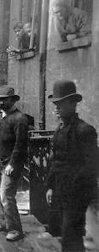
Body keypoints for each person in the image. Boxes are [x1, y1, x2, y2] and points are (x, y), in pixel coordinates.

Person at [46, 80, 98, 252]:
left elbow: (91, 166)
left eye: (61, 104)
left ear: (73, 104)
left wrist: (72, 187)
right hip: (61, 191)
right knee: (62, 232)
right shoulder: (59, 130)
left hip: (77, 192)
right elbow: (56, 162)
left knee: (71, 234)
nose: (56, 108)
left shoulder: (85, 130)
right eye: (56, 104)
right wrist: (51, 187)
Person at [0, 85, 28, 242]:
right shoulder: (1, 118)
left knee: (7, 195)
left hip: (11, 164)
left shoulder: (20, 119)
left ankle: (15, 229)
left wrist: (13, 163)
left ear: (12, 100)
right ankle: (3, 223)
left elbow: (21, 144)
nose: (1, 102)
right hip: (0, 161)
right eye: (0, 99)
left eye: (5, 99)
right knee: (0, 192)